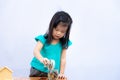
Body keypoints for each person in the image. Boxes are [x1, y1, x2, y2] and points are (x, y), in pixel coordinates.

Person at [29, 11, 73, 79]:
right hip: (37, 69)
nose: (58, 33)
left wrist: (61, 73)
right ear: (51, 26)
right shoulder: (43, 39)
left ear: (66, 32)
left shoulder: (64, 43)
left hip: (53, 72)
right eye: (56, 29)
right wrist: (42, 59)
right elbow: (35, 51)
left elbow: (63, 59)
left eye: (62, 31)